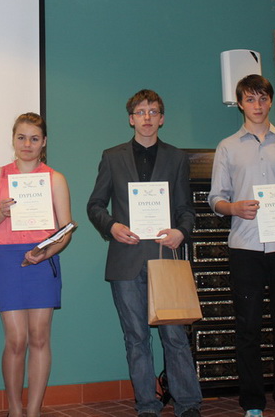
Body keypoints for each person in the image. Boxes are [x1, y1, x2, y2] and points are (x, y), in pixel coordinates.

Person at [87, 89, 203, 417]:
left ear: (162, 119)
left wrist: (181, 231)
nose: (147, 117)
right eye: (140, 112)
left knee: (175, 336)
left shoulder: (177, 158)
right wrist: (112, 226)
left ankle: (188, 404)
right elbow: (95, 205)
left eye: (153, 112)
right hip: (125, 260)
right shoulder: (112, 157)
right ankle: (147, 406)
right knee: (135, 337)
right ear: (131, 119)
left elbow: (186, 209)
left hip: (165, 259)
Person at [208, 74, 275, 417]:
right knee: (248, 329)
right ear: (240, 103)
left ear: (271, 101)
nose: (257, 105)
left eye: (263, 98)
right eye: (250, 99)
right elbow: (215, 198)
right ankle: (252, 403)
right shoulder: (227, 146)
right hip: (245, 247)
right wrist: (234, 208)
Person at [0, 112, 74, 417]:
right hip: (7, 261)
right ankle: (15, 410)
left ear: (44, 142)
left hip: (43, 261)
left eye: (34, 138)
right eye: (21, 137)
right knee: (16, 340)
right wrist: (1, 213)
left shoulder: (55, 179)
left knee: (40, 337)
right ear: (13, 140)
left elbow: (65, 230)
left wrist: (45, 253)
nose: (27, 144)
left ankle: (33, 411)